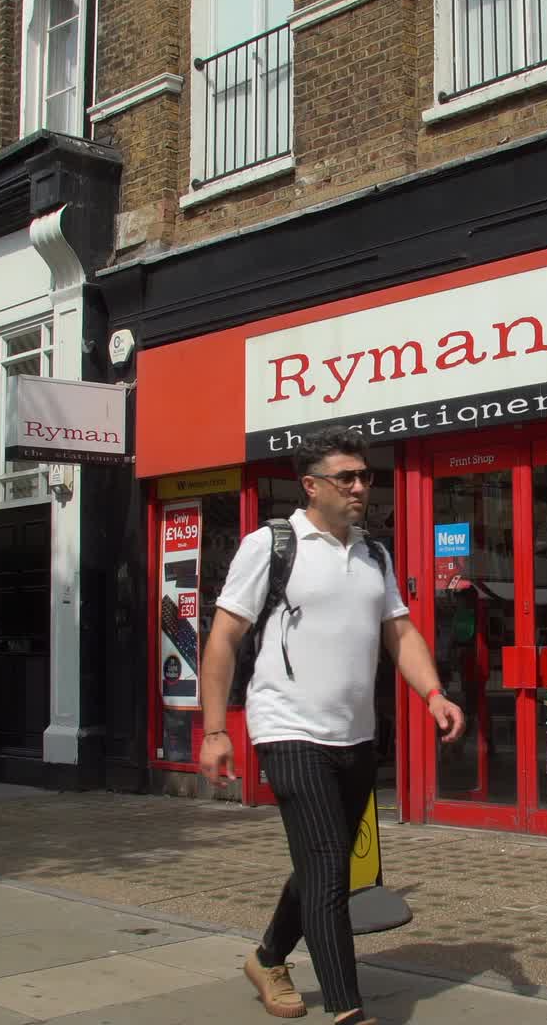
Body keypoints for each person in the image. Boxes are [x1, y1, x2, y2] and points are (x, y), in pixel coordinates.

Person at [198, 428, 465, 1025]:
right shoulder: (271, 545)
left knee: (324, 862)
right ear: (311, 485)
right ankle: (347, 1009)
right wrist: (216, 731)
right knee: (328, 869)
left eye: (365, 476)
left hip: (356, 735)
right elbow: (224, 636)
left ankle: (268, 958)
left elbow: (400, 631)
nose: (360, 487)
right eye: (346, 477)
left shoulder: (374, 554)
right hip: (288, 729)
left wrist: (433, 693)